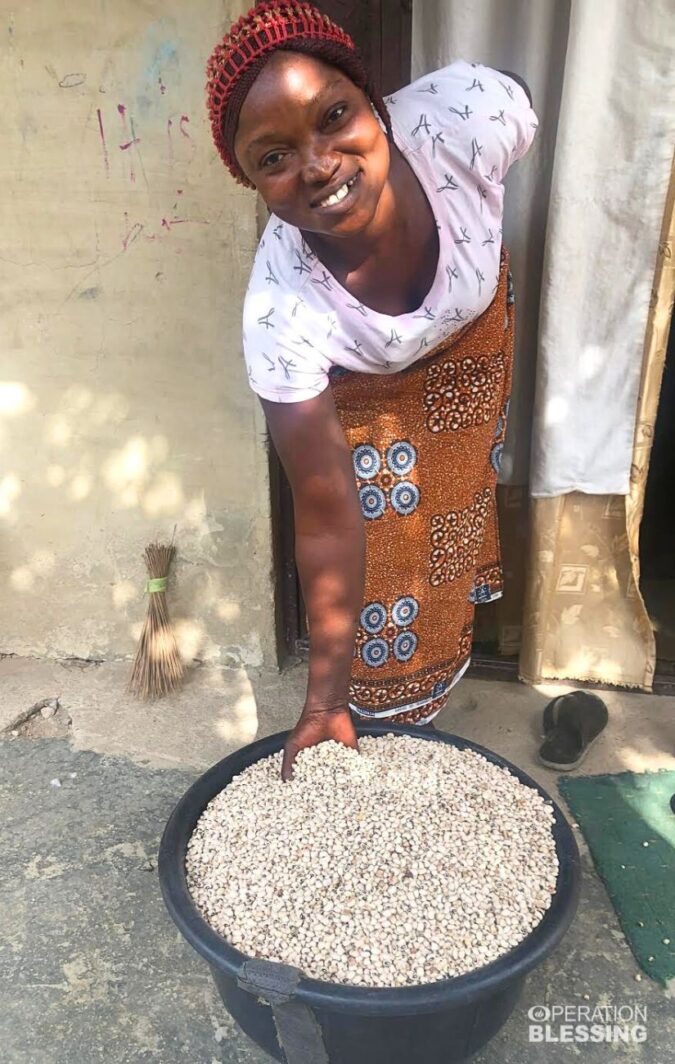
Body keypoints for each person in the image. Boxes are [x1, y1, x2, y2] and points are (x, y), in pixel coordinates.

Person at [206, 1, 539, 780]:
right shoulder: (283, 312)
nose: (318, 163)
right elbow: (325, 523)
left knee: (453, 506)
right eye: (274, 157)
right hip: (361, 374)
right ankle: (383, 717)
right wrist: (322, 702)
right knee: (384, 545)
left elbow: (515, 92)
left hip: (471, 324)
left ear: (374, 104)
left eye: (333, 116)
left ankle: (449, 659)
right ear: (252, 181)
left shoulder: (461, 124)